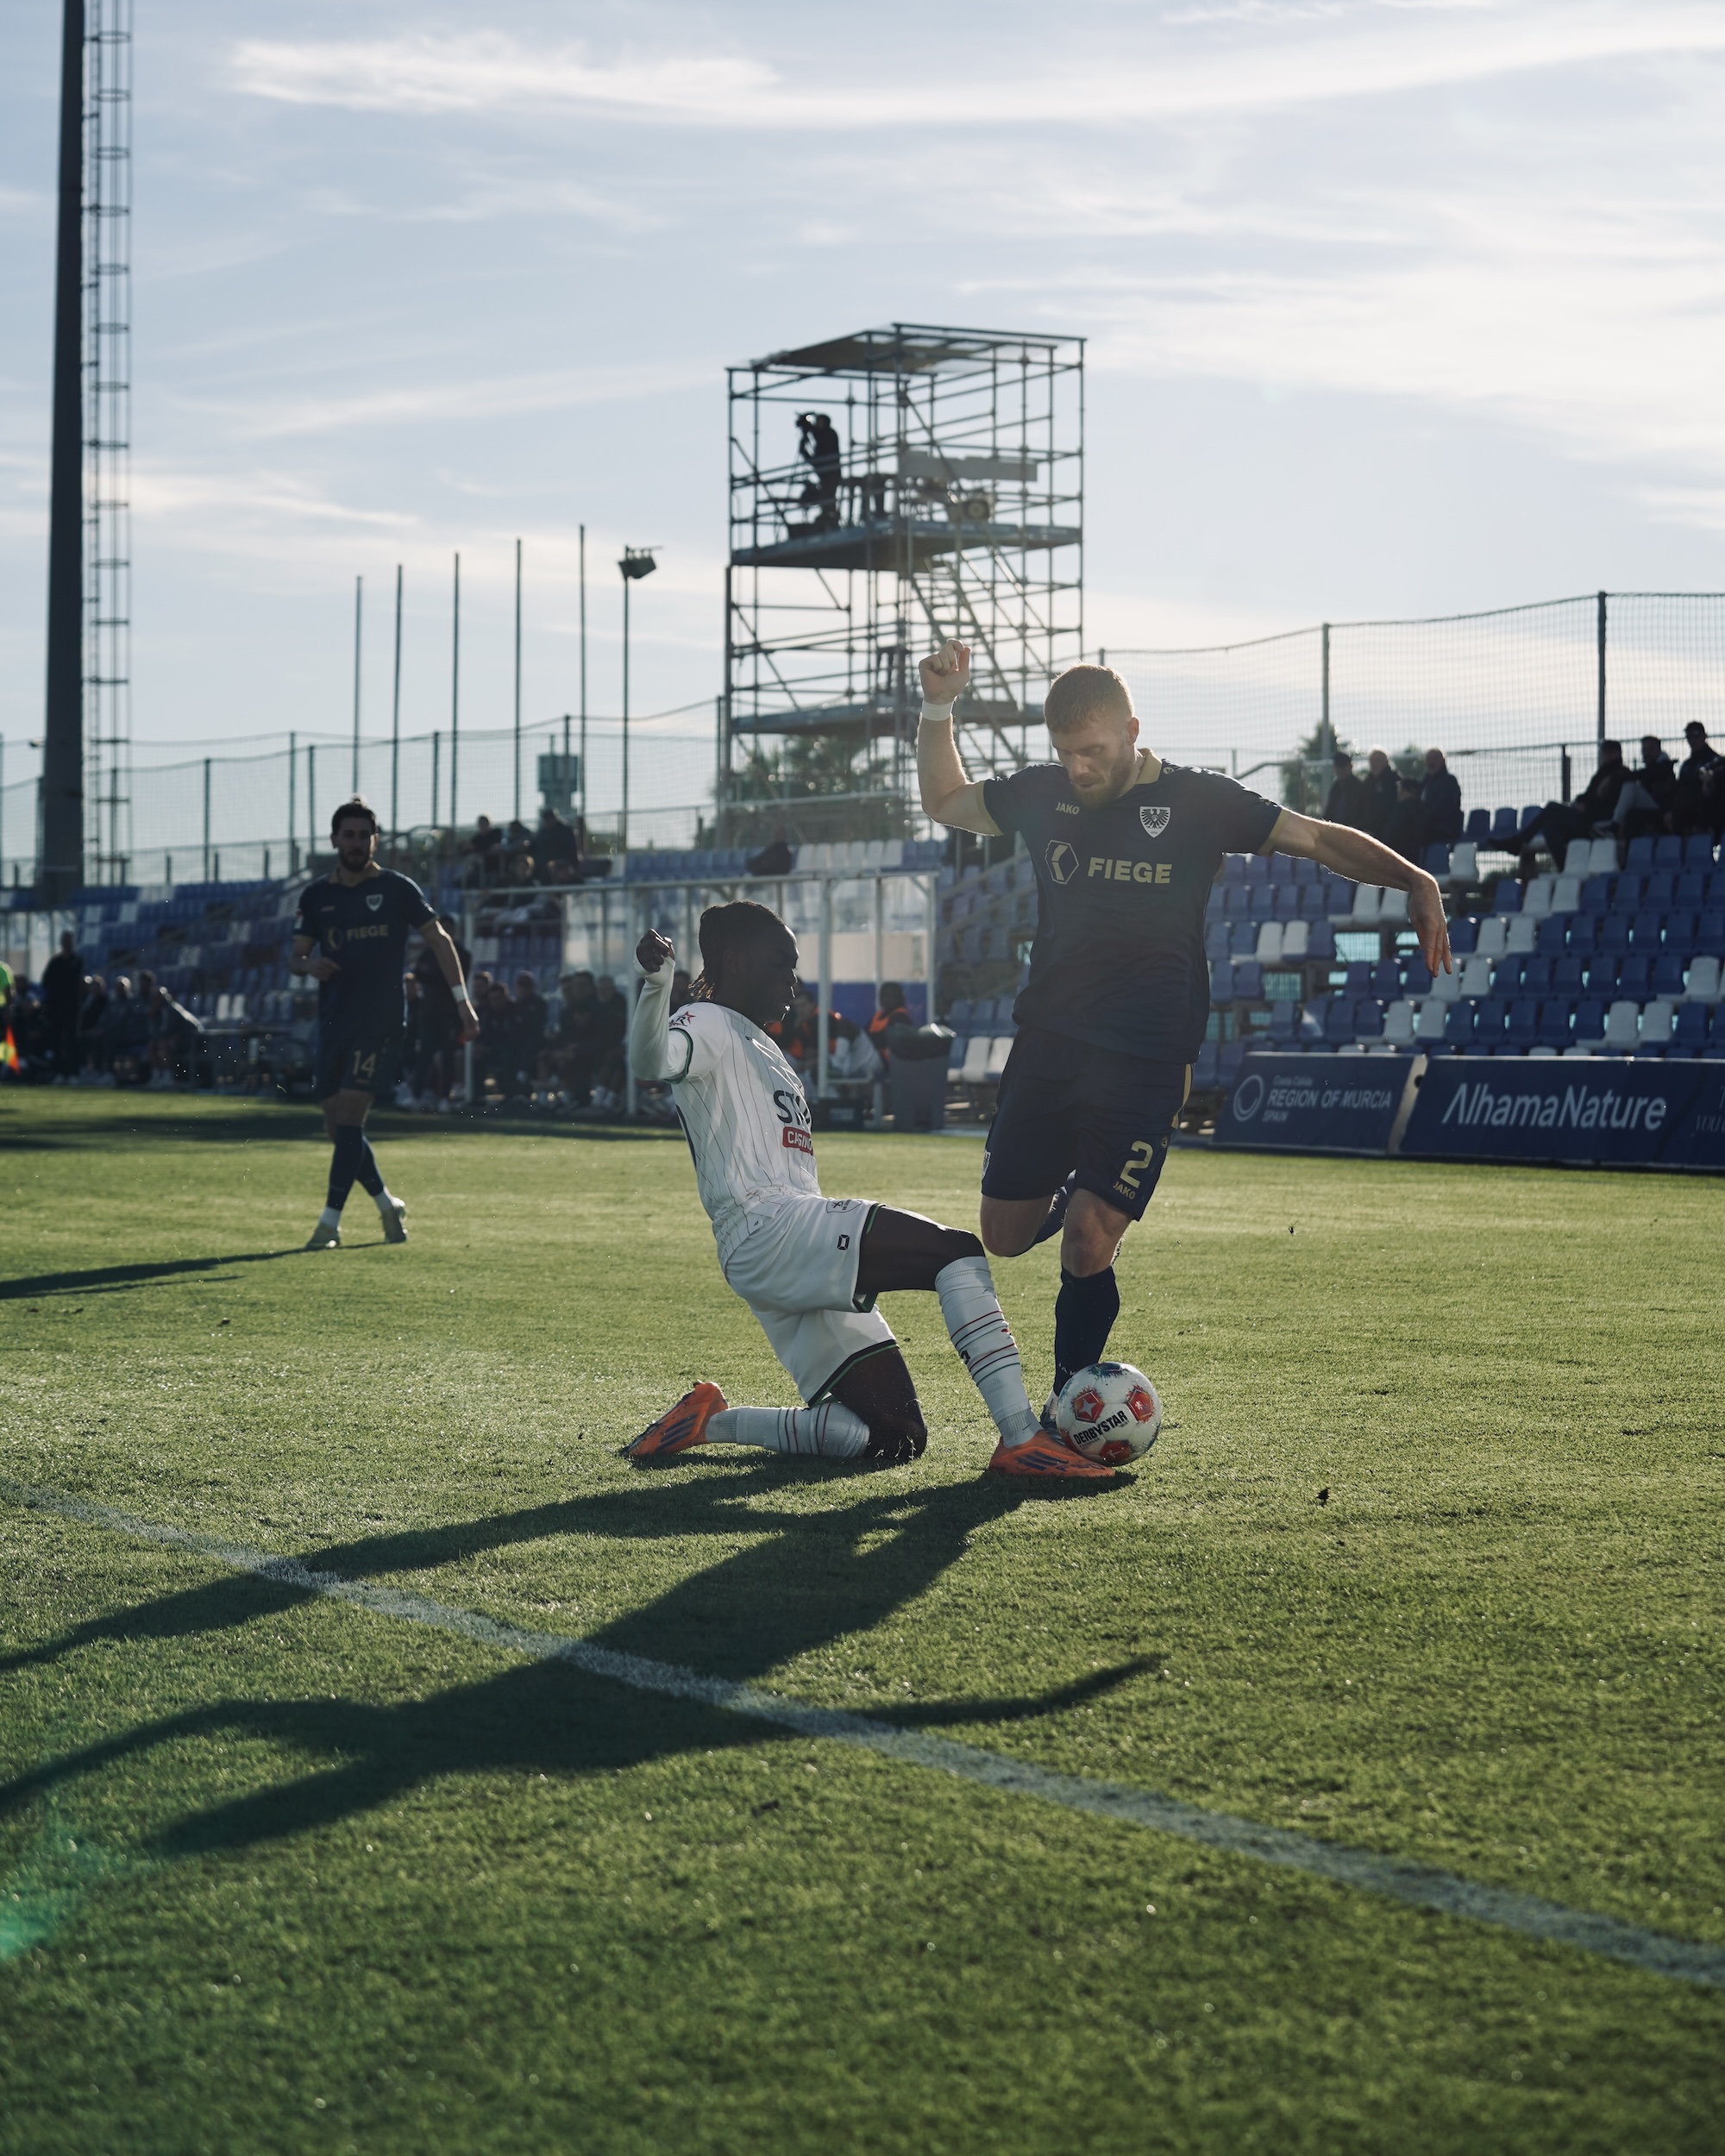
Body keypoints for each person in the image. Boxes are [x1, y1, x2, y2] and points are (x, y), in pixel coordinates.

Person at [916, 642, 1451, 1420]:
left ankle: (1071, 1406)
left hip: (1148, 1058)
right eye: (1065, 754)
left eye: (1093, 752)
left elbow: (1314, 838)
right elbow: (945, 801)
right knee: (1002, 1235)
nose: (1078, 769)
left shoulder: (1199, 801)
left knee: (1088, 1238)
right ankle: (1078, 1185)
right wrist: (938, 707)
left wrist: (1415, 879)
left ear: (1132, 732)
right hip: (1050, 1046)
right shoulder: (1041, 794)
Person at [623, 901, 1107, 1478]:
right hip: (768, 1228)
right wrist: (657, 986)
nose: (793, 981)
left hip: (779, 1246)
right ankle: (1022, 1438)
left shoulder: (763, 1045)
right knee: (954, 1252)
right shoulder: (705, 1021)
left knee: (892, 1437)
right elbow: (652, 1060)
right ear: (734, 960)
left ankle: (710, 1422)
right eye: (780, 963)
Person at [291, 796, 478, 1248]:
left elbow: (440, 941)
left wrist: (463, 1002)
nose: (357, 843)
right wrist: (309, 964)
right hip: (334, 1022)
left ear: (375, 841)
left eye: (364, 836)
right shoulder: (316, 896)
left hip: (381, 1021)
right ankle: (387, 1205)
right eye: (349, 836)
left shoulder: (397, 889)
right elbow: (296, 958)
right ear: (334, 840)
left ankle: (329, 1224)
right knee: (338, 1127)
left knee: (350, 1119)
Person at [1516, 740, 1628, 867]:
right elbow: (1589, 795)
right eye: (1605, 753)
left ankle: (1520, 839)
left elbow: (1608, 805)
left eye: (1608, 753)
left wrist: (1586, 808)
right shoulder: (1602, 774)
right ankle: (1564, 866)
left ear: (1616, 754)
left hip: (1594, 823)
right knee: (1549, 825)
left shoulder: (1620, 775)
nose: (1605, 756)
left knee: (1552, 807)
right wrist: (1579, 802)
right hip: (1586, 817)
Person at [41, 929, 84, 1081]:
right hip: (56, 1007)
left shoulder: (77, 961)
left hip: (71, 1007)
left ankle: (74, 1073)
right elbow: (46, 982)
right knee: (56, 1040)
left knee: (72, 1040)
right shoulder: (55, 962)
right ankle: (59, 1072)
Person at [1420, 748, 1464, 848]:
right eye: (1428, 759)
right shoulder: (1425, 782)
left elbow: (1444, 807)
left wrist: (1424, 819)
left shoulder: (1449, 781)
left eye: (1435, 758)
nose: (1431, 762)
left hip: (1444, 828)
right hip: (1429, 827)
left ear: (1443, 761)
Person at [1384, 774, 1427, 863]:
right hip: (1415, 855)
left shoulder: (1402, 808)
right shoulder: (1421, 808)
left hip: (1398, 854)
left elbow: (1392, 832)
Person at [1323, 751, 1371, 829]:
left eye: (1343, 767)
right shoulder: (1336, 786)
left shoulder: (1358, 786)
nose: (1340, 770)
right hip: (1335, 827)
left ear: (1350, 767)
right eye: (1338, 767)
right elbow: (1330, 810)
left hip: (1351, 828)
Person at [1362, 748, 1398, 838]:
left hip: (1388, 834)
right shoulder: (1367, 782)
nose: (1374, 763)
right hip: (1367, 832)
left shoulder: (1394, 781)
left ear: (1386, 762)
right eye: (1371, 761)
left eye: (1377, 760)